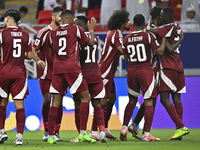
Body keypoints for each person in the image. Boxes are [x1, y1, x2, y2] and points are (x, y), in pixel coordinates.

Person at [128, 6, 184, 140]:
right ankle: (142, 129)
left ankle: (137, 125)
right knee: (151, 99)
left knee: (152, 98)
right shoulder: (152, 31)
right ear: (158, 17)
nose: (162, 20)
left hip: (159, 67)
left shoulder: (159, 29)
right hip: (151, 68)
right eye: (161, 18)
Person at [47, 9, 96, 144]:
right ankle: (83, 134)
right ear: (69, 19)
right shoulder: (75, 29)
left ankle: (51, 136)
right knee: (85, 98)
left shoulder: (52, 32)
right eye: (73, 19)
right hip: (72, 68)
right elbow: (91, 43)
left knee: (55, 102)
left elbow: (51, 51)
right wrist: (91, 30)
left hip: (57, 69)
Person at [120, 14, 166, 141]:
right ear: (145, 24)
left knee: (132, 101)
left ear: (133, 25)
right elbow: (160, 52)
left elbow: (126, 58)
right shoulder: (148, 36)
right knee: (149, 101)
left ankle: (124, 127)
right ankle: (146, 134)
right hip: (146, 71)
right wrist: (163, 39)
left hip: (132, 71)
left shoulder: (126, 39)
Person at [147, 7, 190, 140]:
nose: (160, 17)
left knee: (164, 98)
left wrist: (150, 23)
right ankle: (179, 131)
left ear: (166, 17)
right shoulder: (178, 27)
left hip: (168, 67)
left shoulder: (167, 28)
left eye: (162, 15)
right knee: (177, 98)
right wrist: (181, 39)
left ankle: (181, 126)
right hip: (179, 65)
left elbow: (150, 31)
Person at [71, 15, 107, 143]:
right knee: (97, 104)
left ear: (81, 26)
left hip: (83, 75)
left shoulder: (77, 40)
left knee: (78, 104)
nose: (73, 27)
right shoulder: (95, 38)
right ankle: (102, 132)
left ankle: (81, 134)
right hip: (96, 74)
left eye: (76, 24)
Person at [0, 9, 32, 145]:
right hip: (19, 73)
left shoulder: (2, 34)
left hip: (3, 73)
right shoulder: (26, 35)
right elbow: (30, 56)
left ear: (8, 19)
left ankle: (1, 131)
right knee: (19, 105)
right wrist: (17, 55)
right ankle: (19, 137)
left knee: (2, 103)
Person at [32, 6, 64, 142]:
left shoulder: (64, 32)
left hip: (60, 72)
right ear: (53, 17)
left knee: (59, 101)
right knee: (47, 100)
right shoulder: (43, 32)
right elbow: (33, 49)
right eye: (60, 17)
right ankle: (46, 131)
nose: (61, 20)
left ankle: (56, 131)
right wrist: (38, 60)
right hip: (45, 72)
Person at [98, 9, 131, 139]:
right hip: (105, 71)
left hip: (109, 72)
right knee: (102, 101)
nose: (129, 22)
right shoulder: (116, 33)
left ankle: (105, 128)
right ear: (122, 22)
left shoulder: (114, 33)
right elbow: (122, 51)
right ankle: (95, 131)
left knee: (111, 99)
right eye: (127, 20)